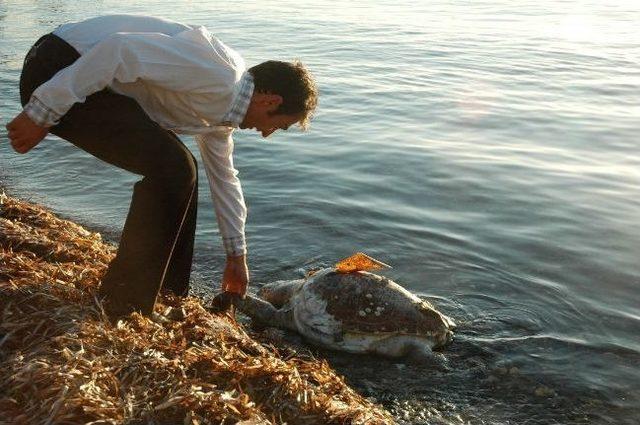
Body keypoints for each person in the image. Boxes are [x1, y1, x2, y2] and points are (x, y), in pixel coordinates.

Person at [5, 14, 318, 320]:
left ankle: (168, 293)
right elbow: (118, 50)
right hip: (57, 67)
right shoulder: (220, 75)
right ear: (270, 102)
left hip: (85, 78)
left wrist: (236, 256)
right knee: (175, 169)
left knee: (184, 172)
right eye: (279, 126)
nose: (267, 133)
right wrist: (42, 110)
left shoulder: (221, 114)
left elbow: (225, 179)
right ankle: (124, 301)